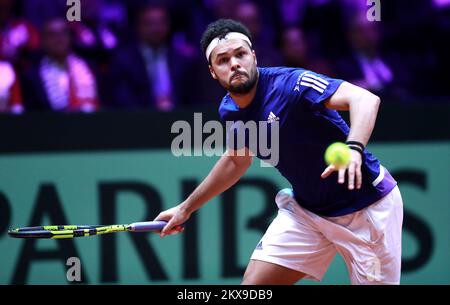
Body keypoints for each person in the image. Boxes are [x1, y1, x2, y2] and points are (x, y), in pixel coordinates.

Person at [155, 19, 403, 285]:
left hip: (367, 211)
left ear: (253, 56)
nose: (235, 64)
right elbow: (236, 161)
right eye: (223, 60)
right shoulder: (229, 110)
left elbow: (365, 99)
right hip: (309, 213)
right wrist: (186, 208)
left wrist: (353, 148)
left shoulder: (292, 84)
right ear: (213, 72)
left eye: (240, 54)